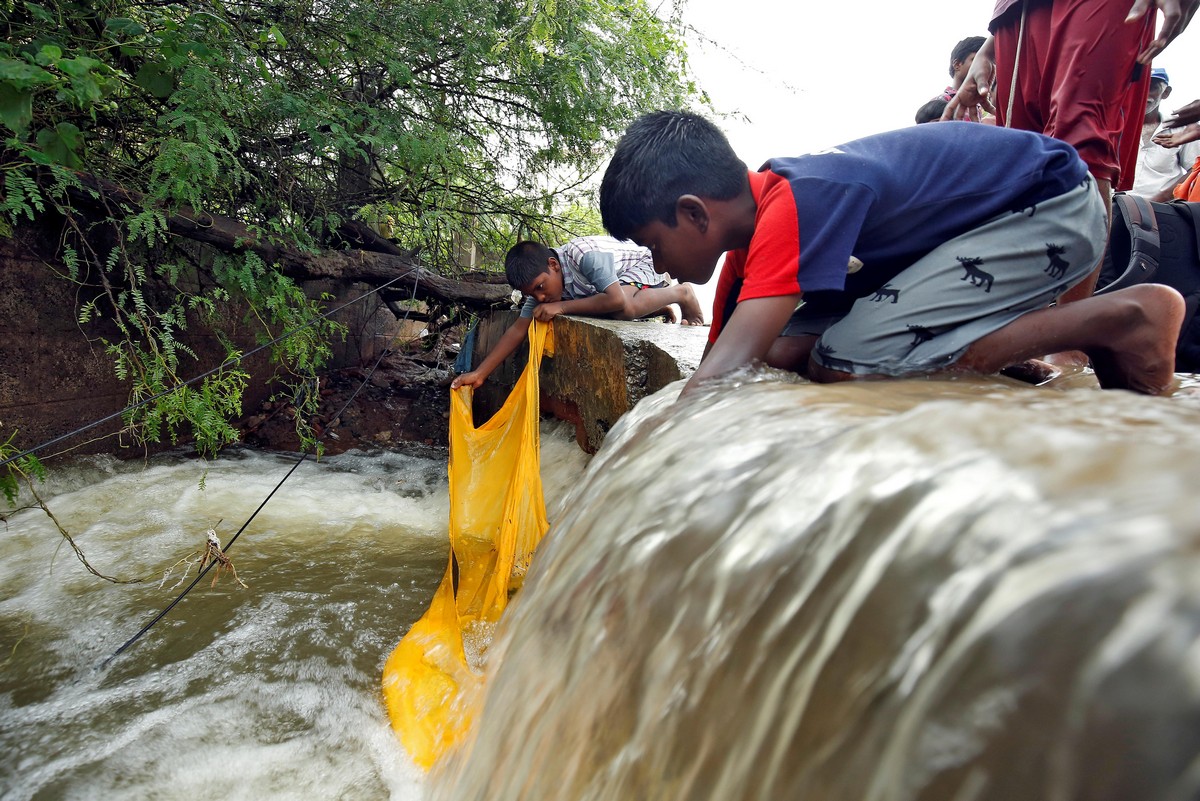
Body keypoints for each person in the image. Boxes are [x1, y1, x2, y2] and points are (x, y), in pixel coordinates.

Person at [598, 110, 1184, 399]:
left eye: (654, 245)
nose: (659, 267)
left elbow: (718, 380)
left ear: (696, 212)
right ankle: (996, 348)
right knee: (784, 349)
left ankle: (1126, 317)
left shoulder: (797, 202)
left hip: (1049, 209)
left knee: (843, 360)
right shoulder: (759, 231)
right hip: (997, 230)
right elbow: (732, 359)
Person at [450, 235, 704, 389]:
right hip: (622, 285)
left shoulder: (583, 256)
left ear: (553, 265)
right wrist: (479, 374)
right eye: (532, 295)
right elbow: (517, 330)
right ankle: (654, 306)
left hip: (646, 265)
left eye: (540, 287)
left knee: (623, 309)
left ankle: (682, 293)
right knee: (607, 307)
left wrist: (560, 306)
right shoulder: (543, 289)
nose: (540, 297)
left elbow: (615, 300)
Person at [1132, 68, 1200, 201]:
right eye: (1138, 86)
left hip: (1162, 212)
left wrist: (1162, 199)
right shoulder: (1114, 127)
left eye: (1152, 87)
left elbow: (1194, 168)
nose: (1144, 94)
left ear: (1166, 92)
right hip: (1112, 208)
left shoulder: (1184, 128)